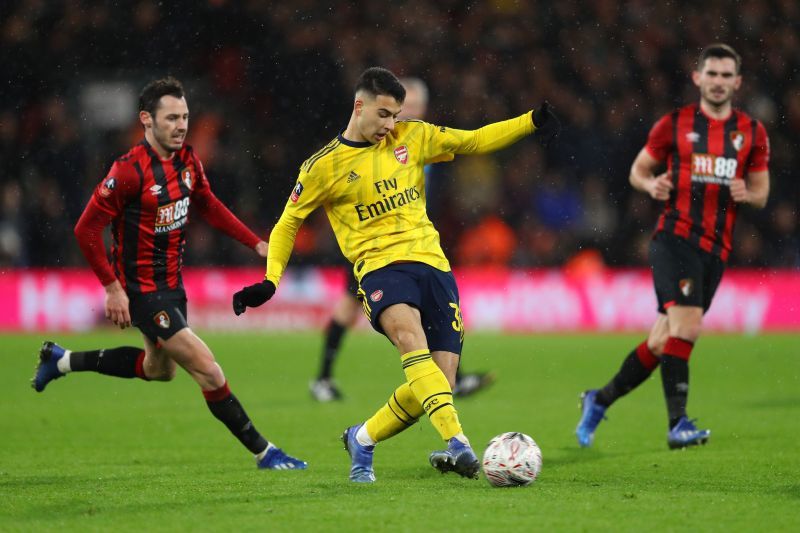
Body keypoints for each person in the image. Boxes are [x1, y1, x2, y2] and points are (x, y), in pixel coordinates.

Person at [233, 67, 559, 482]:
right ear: (359, 106)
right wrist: (271, 279)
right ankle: (458, 442)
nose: (390, 125)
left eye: (395, 115)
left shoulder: (413, 136)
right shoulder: (323, 166)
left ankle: (363, 438)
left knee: (437, 382)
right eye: (384, 114)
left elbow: (474, 140)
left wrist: (530, 121)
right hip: (380, 268)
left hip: (434, 264)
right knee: (410, 341)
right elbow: (287, 223)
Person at [31, 77, 307, 471]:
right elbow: (86, 229)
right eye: (172, 118)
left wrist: (256, 244)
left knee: (159, 369)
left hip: (172, 285)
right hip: (141, 290)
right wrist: (112, 289)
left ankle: (61, 361)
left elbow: (208, 205)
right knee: (208, 369)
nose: (181, 125)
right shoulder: (127, 172)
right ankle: (266, 452)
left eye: (185, 117)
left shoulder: (188, 161)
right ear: (147, 120)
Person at [575, 44, 770, 449]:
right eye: (711, 74)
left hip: (716, 249)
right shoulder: (675, 124)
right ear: (697, 78)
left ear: (738, 82)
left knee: (663, 340)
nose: (718, 82)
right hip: (674, 238)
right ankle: (677, 424)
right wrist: (651, 184)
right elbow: (637, 171)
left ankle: (600, 398)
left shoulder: (751, 132)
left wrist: (746, 194)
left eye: (725, 75)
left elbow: (763, 192)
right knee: (687, 327)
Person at [309, 76, 495, 403]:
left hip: (411, 241)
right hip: (372, 244)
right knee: (348, 307)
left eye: (417, 107)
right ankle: (323, 378)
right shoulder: (374, 141)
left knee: (432, 305)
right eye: (405, 108)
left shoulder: (418, 139)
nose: (409, 114)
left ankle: (453, 377)